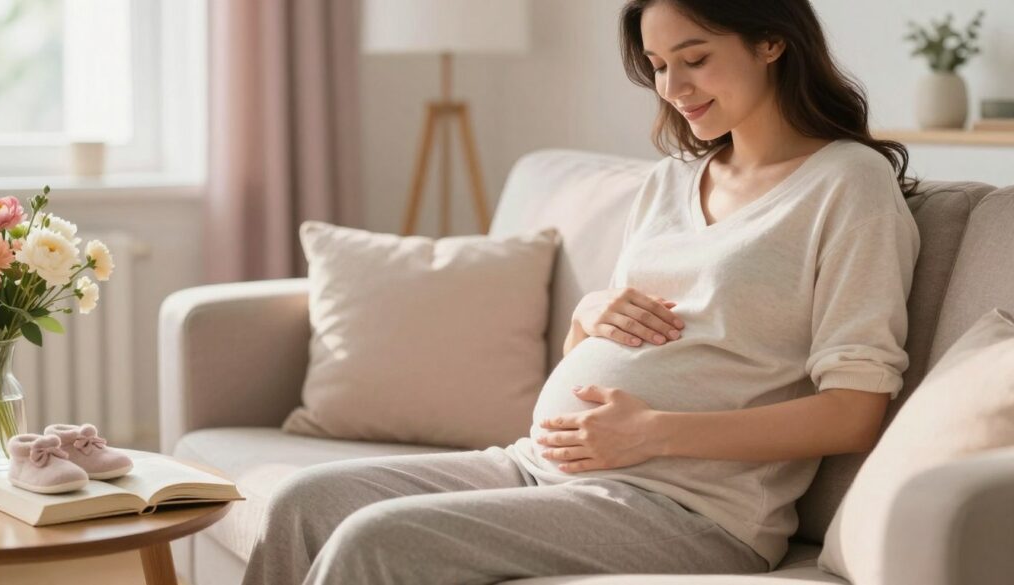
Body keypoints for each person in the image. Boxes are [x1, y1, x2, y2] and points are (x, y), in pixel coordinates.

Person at [241, 1, 921, 583]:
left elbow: (853, 412)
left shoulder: (848, 185)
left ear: (771, 42)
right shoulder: (673, 181)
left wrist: (655, 433)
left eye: (694, 58)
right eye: (657, 65)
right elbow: (601, 351)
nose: (673, 86)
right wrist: (587, 315)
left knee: (376, 541)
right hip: (534, 463)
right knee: (301, 500)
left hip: (687, 508)